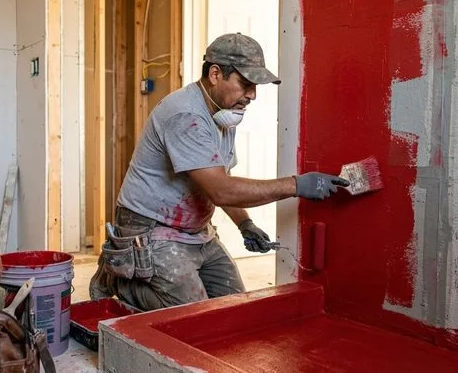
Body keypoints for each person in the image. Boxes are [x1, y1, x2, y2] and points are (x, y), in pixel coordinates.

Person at [89, 33, 348, 311]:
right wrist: (297, 185)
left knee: (234, 306)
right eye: (245, 84)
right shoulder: (185, 115)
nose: (252, 95)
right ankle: (122, 281)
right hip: (151, 231)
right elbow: (221, 190)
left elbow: (217, 182)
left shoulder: (224, 115)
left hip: (196, 232)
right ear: (215, 74)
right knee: (192, 316)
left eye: (255, 87)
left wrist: (245, 224)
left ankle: (146, 279)